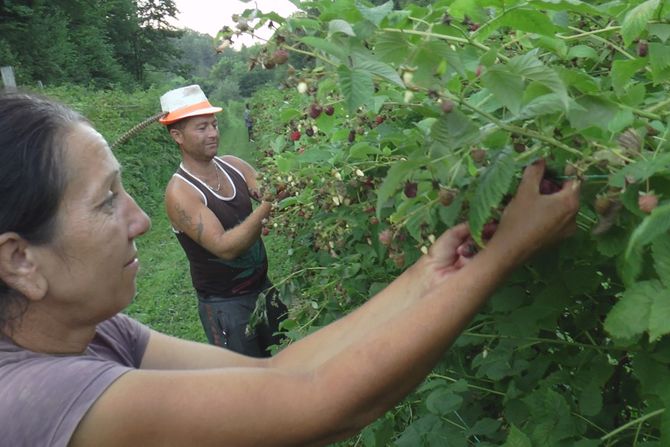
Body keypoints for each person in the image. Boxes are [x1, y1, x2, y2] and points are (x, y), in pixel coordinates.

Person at [0, 90, 580, 447]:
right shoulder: (36, 398)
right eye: (106, 201)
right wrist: (504, 253)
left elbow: (285, 372)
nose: (140, 220)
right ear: (20, 259)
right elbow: (324, 404)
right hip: (225, 299)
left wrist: (428, 274)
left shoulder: (98, 333)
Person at [159, 85, 285, 356]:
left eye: (214, 125)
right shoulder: (181, 193)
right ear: (177, 135)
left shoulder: (234, 166)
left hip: (264, 289)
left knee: (289, 357)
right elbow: (224, 247)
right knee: (250, 383)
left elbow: (272, 190)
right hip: (226, 306)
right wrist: (268, 205)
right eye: (202, 127)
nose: (214, 133)